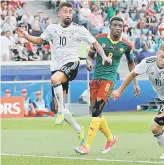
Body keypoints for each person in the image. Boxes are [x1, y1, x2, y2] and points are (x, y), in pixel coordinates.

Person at [15, 2, 111, 145]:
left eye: (70, 12)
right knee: (56, 106)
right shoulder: (52, 28)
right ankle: (78, 129)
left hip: (72, 64)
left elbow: (95, 43)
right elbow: (40, 41)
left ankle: (61, 111)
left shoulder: (79, 29)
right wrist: (26, 35)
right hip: (57, 66)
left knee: (55, 80)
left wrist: (103, 57)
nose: (68, 14)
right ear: (59, 13)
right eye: (65, 12)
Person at [74, 17, 139, 155]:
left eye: (120, 26)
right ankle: (111, 138)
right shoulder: (100, 38)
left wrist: (135, 83)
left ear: (123, 28)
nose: (117, 28)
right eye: (115, 25)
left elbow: (131, 65)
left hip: (109, 80)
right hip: (95, 79)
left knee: (96, 112)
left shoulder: (126, 45)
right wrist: (90, 62)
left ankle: (86, 146)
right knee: (96, 113)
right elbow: (90, 55)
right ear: (109, 26)